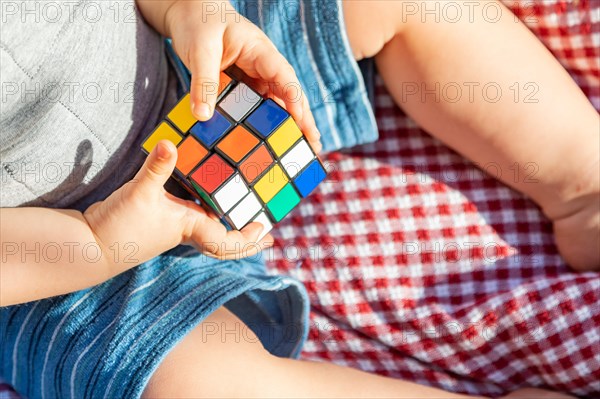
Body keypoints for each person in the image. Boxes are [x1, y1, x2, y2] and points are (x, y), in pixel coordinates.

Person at [1, 0, 595, 397]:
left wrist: (193, 11)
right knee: (195, 386)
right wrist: (99, 244)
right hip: (62, 258)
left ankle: (584, 184)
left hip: (187, 64)